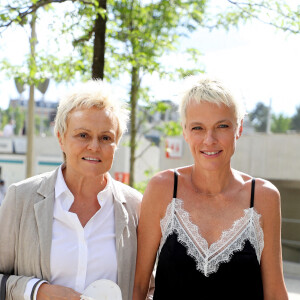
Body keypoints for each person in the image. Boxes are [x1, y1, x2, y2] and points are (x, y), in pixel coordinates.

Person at [133, 75, 288, 300]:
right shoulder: (163, 189)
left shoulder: (263, 197)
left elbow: (275, 293)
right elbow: (138, 286)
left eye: (222, 126)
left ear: (239, 128)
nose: (209, 139)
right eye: (198, 128)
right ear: (185, 131)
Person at [0, 80, 148, 300]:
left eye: (106, 137)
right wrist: (37, 291)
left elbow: (149, 287)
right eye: (83, 135)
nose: (94, 146)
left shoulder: (137, 207)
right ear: (61, 138)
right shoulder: (21, 198)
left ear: (116, 143)